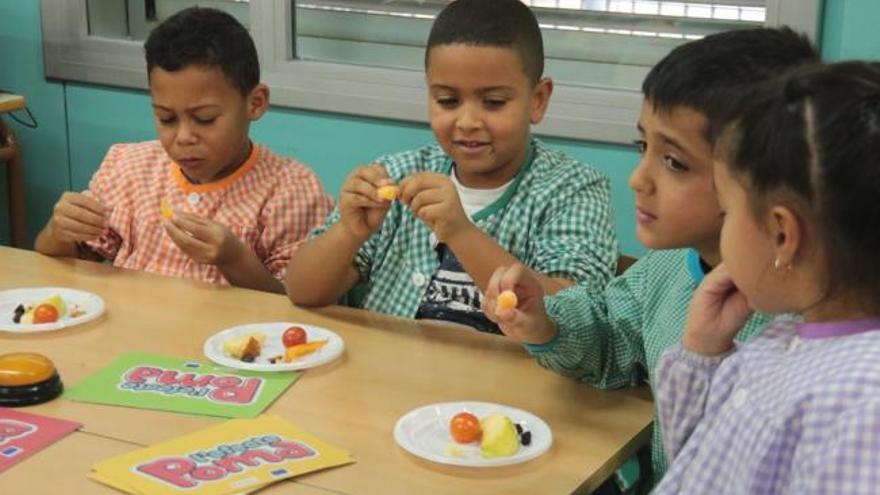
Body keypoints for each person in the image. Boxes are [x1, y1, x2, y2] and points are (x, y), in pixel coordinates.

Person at [481, 27, 819, 486]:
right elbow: (612, 339)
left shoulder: (810, 325)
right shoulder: (665, 270)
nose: (639, 178)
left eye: (675, 163)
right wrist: (547, 323)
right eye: (644, 147)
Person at [286, 0, 617, 334]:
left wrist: (461, 232)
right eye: (447, 100)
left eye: (494, 102)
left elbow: (577, 319)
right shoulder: (398, 173)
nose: (468, 121)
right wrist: (349, 231)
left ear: (538, 100)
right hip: (389, 375)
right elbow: (300, 291)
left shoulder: (572, 189)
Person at [653, 60, 880, 494]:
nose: (724, 225)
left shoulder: (865, 407)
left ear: (781, 234)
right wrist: (704, 351)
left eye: (728, 208)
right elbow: (700, 469)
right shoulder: (783, 337)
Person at [34, 7, 333, 293]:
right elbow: (63, 268)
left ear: (254, 103)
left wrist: (235, 260)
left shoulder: (291, 190)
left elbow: (296, 304)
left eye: (205, 119)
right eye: (166, 118)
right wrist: (59, 230)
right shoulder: (130, 167)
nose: (184, 137)